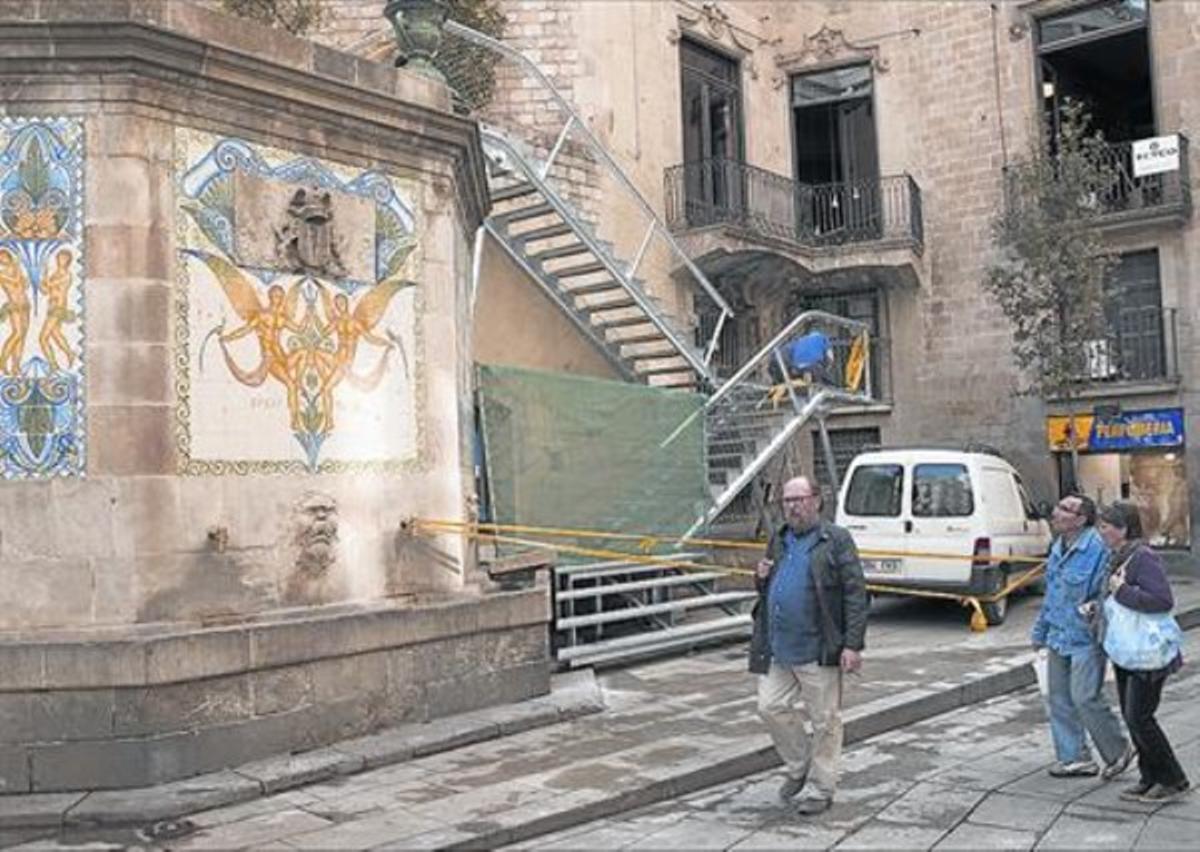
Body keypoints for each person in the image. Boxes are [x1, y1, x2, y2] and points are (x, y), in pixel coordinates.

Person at [749, 475, 868, 816]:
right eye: (787, 500)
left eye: (799, 499)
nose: (793, 506)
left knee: (825, 721)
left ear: (816, 500)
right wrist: (760, 577)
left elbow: (855, 593)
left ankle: (822, 787)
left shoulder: (836, 539)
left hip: (819, 648)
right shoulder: (779, 538)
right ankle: (799, 765)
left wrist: (852, 645)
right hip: (778, 646)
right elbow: (769, 587)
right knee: (769, 707)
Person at [1031, 494, 1133, 779]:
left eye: (1065, 508)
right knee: (1058, 697)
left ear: (1081, 520)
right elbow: (1052, 592)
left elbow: (1109, 590)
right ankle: (1075, 758)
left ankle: (1117, 749)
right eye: (1059, 505)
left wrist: (1096, 613)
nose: (1056, 511)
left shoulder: (1098, 547)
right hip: (1057, 634)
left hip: (1085, 637)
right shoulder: (1058, 546)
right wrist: (1040, 630)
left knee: (1085, 697)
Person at [1096, 502, 1191, 803]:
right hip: (1127, 649)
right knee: (1131, 714)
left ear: (1123, 528)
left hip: (1148, 652)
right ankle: (1149, 777)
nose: (1102, 532)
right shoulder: (1118, 556)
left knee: (1140, 717)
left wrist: (1122, 592)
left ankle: (1173, 779)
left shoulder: (1143, 557)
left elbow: (1162, 600)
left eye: (1106, 526)